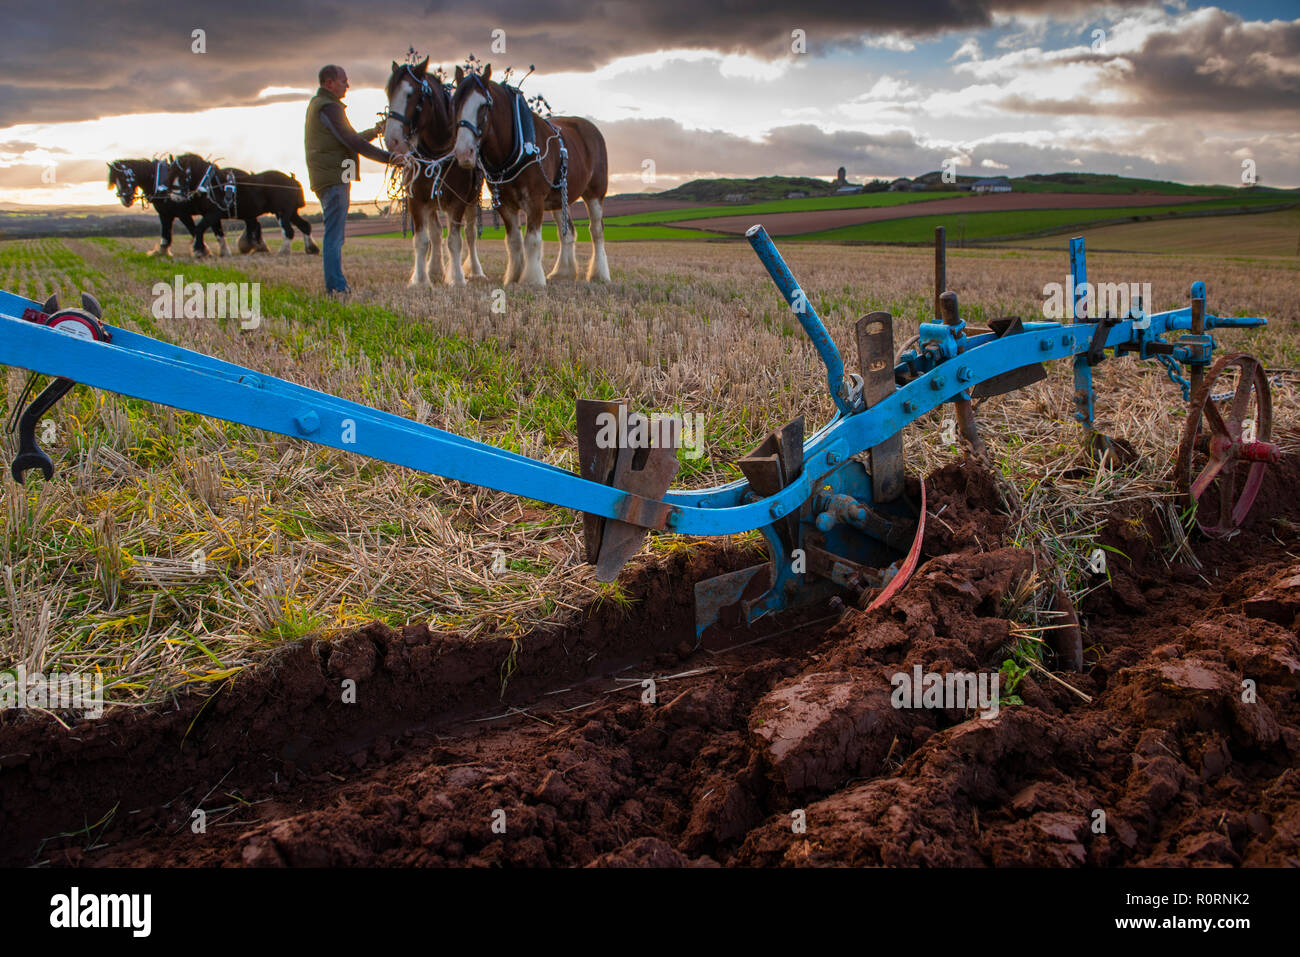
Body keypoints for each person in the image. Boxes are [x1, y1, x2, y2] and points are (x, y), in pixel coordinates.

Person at [304, 64, 403, 294]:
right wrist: (391, 158)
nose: (347, 85)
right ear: (329, 83)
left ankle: (336, 283)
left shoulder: (320, 105)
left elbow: (346, 138)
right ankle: (336, 287)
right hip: (334, 178)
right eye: (343, 81)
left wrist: (376, 130)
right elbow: (352, 142)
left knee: (335, 234)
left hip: (327, 176)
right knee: (334, 237)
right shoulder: (330, 107)